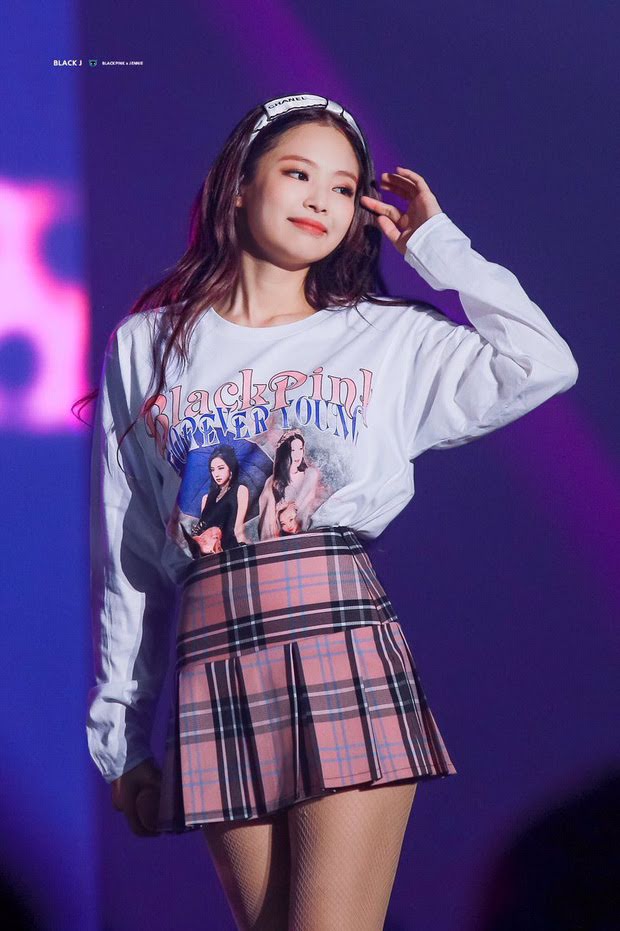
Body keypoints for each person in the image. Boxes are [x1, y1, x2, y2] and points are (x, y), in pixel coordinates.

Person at [81, 93, 578, 930]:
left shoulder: (385, 335)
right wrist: (121, 735)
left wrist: (438, 247)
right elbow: (129, 551)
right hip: (216, 653)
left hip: (334, 636)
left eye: (344, 188)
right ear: (240, 184)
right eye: (299, 173)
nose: (322, 200)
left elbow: (542, 362)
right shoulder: (148, 344)